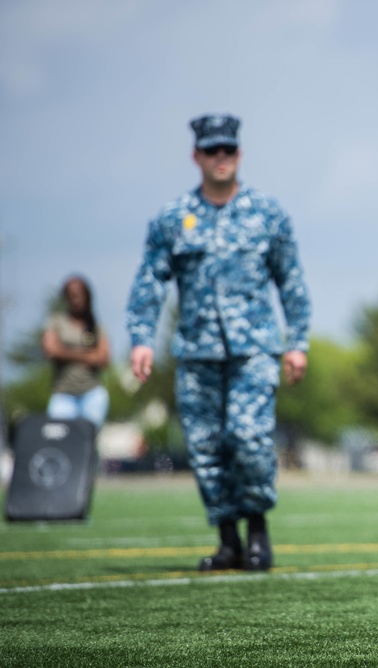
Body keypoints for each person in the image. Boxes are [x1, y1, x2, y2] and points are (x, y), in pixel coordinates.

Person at [126, 113, 311, 572]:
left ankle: (258, 533)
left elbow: (291, 282)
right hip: (196, 352)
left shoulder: (267, 213)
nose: (221, 158)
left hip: (254, 350)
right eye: (212, 151)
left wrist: (298, 341)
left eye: (228, 149)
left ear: (239, 154)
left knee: (248, 439)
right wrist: (141, 339)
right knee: (206, 449)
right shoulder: (173, 219)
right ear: (197, 156)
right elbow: (150, 281)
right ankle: (228, 541)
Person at [41, 275, 111, 429]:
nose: (76, 299)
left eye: (79, 295)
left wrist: (65, 351)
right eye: (71, 295)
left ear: (87, 297)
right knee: (60, 438)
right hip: (63, 393)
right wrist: (87, 356)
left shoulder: (95, 326)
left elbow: (103, 358)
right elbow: (51, 350)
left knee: (87, 441)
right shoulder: (57, 321)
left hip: (92, 393)